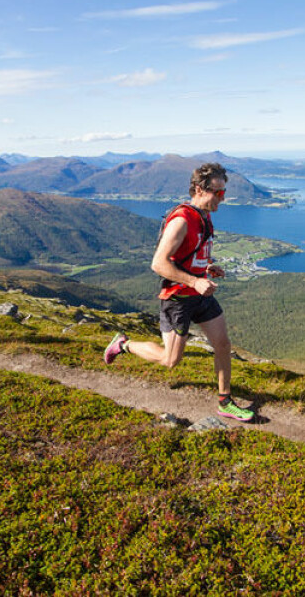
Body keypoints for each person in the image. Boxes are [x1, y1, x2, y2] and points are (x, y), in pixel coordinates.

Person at [103, 162, 255, 422]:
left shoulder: (204, 216)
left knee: (222, 344)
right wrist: (194, 281)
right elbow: (158, 264)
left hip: (200, 296)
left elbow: (188, 255)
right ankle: (123, 345)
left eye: (224, 192)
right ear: (199, 189)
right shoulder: (182, 220)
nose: (223, 197)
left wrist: (207, 267)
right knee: (170, 360)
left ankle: (225, 401)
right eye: (218, 192)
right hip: (178, 300)